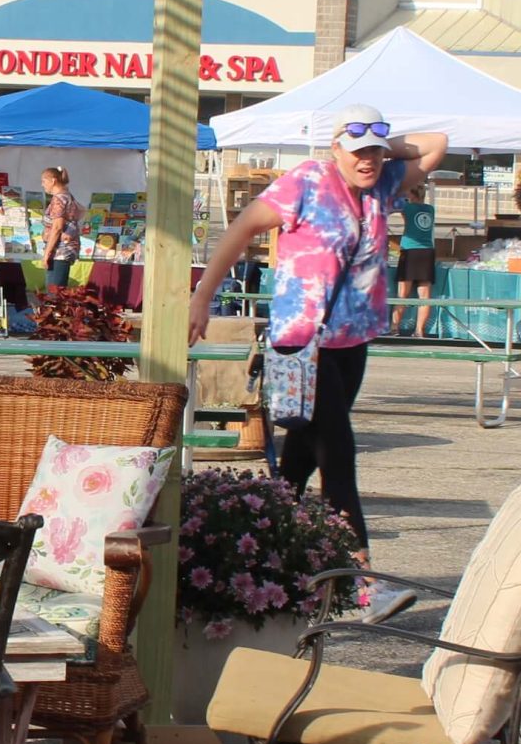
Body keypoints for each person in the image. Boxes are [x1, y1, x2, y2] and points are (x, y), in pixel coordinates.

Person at [189, 104, 448, 548]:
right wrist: (202, 297)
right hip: (302, 341)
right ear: (335, 149)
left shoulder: (382, 184)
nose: (367, 160)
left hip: (352, 341)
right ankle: (355, 568)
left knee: (302, 457)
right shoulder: (307, 181)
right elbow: (242, 228)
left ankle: (263, 544)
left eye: (374, 152)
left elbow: (436, 144)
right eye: (357, 151)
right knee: (338, 455)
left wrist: (380, 145)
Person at [394, 174, 438, 337]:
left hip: (410, 251)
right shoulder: (430, 209)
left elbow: (394, 203)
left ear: (410, 194)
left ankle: (394, 327)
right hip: (427, 251)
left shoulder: (407, 208)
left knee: (402, 294)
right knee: (425, 296)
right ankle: (419, 330)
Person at [38, 166, 82, 277]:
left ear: (53, 181)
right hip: (64, 250)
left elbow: (57, 227)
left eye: (44, 181)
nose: (42, 184)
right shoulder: (67, 195)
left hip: (60, 251)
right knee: (56, 285)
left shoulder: (59, 199)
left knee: (54, 286)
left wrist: (47, 253)